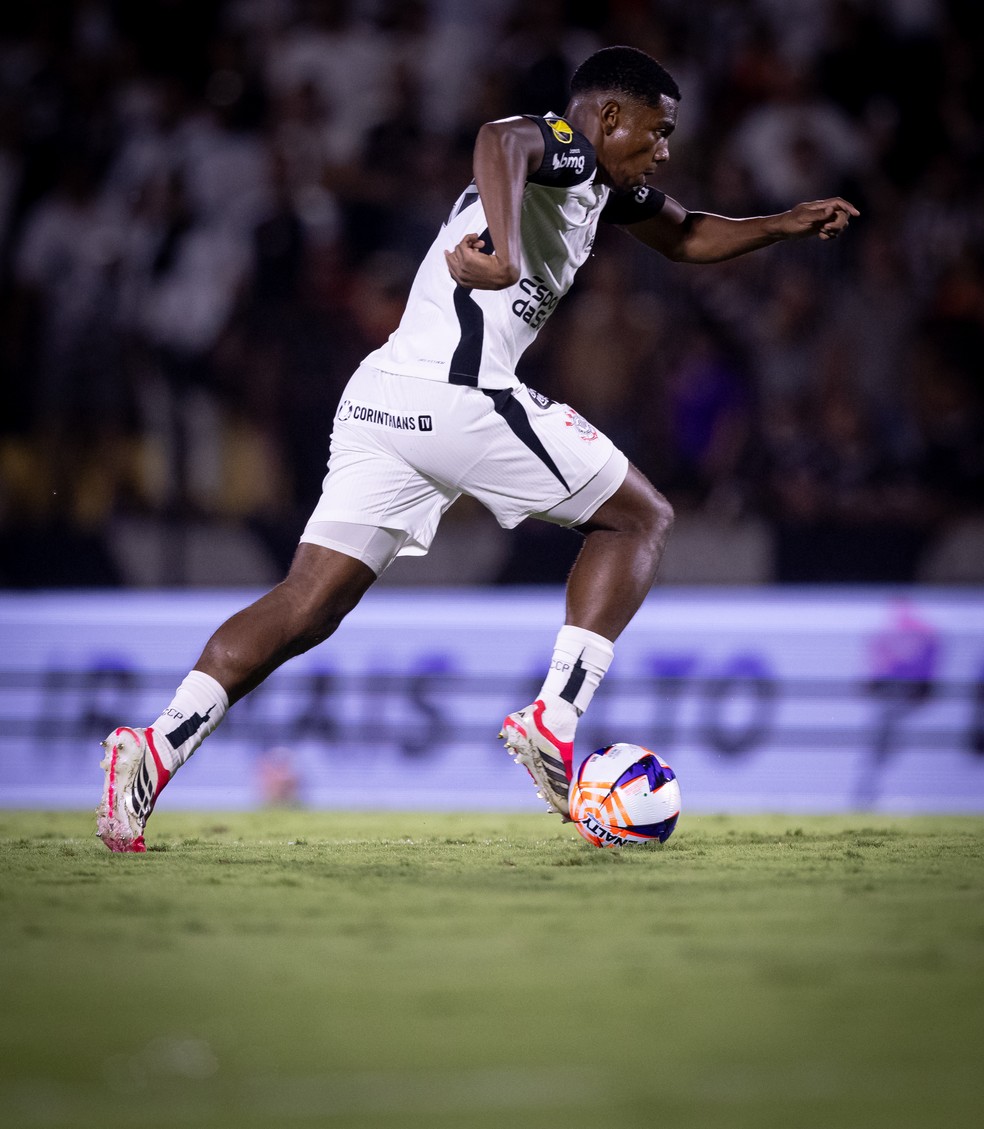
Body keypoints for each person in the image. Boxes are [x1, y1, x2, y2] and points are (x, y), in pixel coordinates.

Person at [97, 45, 858, 852]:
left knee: (307, 603)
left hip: (384, 397)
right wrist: (504, 247)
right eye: (657, 131)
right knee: (641, 518)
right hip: (455, 391)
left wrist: (783, 223)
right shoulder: (566, 145)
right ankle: (554, 719)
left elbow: (686, 235)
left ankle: (152, 748)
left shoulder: (604, 183)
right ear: (608, 118)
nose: (665, 150)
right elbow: (502, 137)